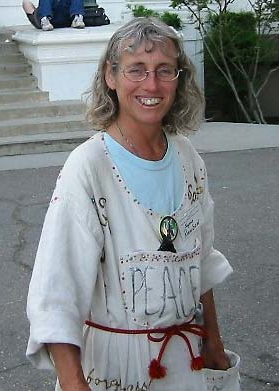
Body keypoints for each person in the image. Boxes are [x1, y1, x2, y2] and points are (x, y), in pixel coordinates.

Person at [26, 17, 234, 391]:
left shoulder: (188, 161)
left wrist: (214, 345)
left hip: (187, 363)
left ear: (179, 78)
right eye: (136, 70)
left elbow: (200, 262)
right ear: (111, 76)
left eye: (164, 71)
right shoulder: (88, 168)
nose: (151, 85)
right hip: (113, 371)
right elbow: (56, 296)